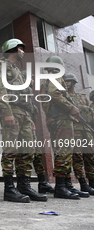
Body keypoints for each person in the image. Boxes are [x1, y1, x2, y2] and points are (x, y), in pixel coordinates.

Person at [0, 39, 47, 203]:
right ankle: (9, 189)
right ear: (13, 49)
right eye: (21, 49)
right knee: (11, 150)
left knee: (28, 150)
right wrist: (7, 112)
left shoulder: (18, 70)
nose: (23, 52)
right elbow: (0, 88)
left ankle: (24, 186)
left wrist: (31, 118)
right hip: (12, 110)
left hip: (25, 114)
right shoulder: (1, 64)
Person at [40, 56, 81, 199]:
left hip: (57, 119)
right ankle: (61, 187)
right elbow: (54, 93)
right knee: (63, 151)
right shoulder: (54, 76)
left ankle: (65, 185)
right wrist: (71, 107)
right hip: (60, 119)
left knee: (64, 151)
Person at [21, 71, 54, 194]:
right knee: (25, 156)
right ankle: (24, 184)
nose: (33, 82)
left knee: (38, 155)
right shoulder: (19, 92)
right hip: (22, 129)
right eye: (31, 79)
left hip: (30, 129)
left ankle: (43, 183)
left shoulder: (29, 96)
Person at [63, 72, 94, 196]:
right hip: (74, 130)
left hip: (86, 130)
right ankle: (83, 183)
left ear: (74, 83)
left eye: (69, 81)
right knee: (77, 157)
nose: (67, 83)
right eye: (65, 81)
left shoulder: (82, 97)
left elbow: (90, 112)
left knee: (90, 156)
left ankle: (92, 181)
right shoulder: (64, 98)